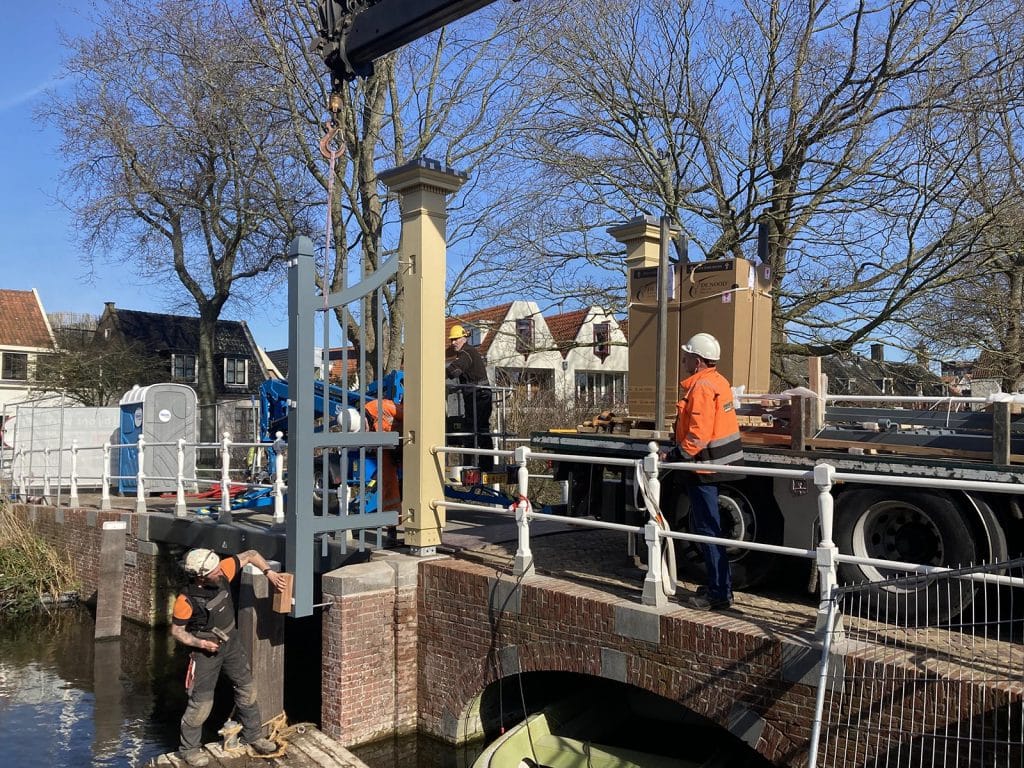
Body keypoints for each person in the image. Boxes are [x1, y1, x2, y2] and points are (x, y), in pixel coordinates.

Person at [171, 548, 287, 766]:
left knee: (247, 689)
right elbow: (177, 632)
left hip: (231, 642)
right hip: (205, 651)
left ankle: (253, 736)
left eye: (218, 567)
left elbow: (251, 554)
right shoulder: (185, 601)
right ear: (200, 576)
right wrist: (200, 643)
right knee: (201, 703)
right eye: (214, 571)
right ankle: (189, 749)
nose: (220, 571)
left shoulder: (222, 571)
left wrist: (269, 573)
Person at [668, 332, 744, 610]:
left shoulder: (700, 387)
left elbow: (698, 434)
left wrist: (675, 454)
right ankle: (720, 587)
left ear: (698, 360)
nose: (684, 360)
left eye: (687, 356)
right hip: (718, 464)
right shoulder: (719, 381)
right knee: (712, 528)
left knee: (707, 530)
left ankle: (718, 593)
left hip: (704, 468)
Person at [445, 324, 494, 471]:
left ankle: (481, 466)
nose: (453, 342)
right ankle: (474, 465)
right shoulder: (467, 352)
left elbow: (455, 370)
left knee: (477, 429)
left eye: (456, 339)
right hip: (476, 395)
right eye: (452, 340)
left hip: (479, 396)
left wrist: (436, 375)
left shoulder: (467, 353)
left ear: (464, 338)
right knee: (473, 429)